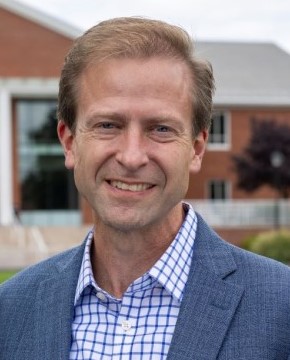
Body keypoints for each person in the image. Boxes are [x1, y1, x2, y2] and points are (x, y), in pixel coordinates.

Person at [1, 17, 290, 360]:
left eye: (161, 129)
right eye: (108, 125)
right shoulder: (10, 310)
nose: (132, 156)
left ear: (196, 148)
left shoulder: (281, 308)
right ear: (69, 142)